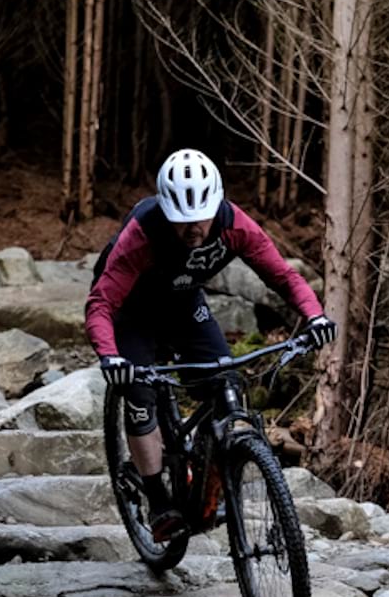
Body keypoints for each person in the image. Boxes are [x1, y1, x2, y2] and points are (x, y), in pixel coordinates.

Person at [86, 149, 336, 539]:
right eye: (182, 220)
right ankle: (158, 500)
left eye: (200, 218)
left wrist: (315, 316)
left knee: (225, 381)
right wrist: (110, 356)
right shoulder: (143, 233)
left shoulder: (234, 225)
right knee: (138, 394)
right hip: (132, 313)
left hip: (184, 305)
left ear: (216, 205)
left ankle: (207, 475)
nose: (193, 229)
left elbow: (283, 277)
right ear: (166, 210)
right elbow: (101, 303)